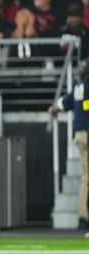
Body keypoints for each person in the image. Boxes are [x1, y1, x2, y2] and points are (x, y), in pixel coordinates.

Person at [50, 77, 88, 227]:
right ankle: (83, 214)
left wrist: (54, 109)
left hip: (79, 133)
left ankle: (83, 214)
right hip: (86, 132)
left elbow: (63, 102)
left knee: (86, 176)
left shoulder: (79, 86)